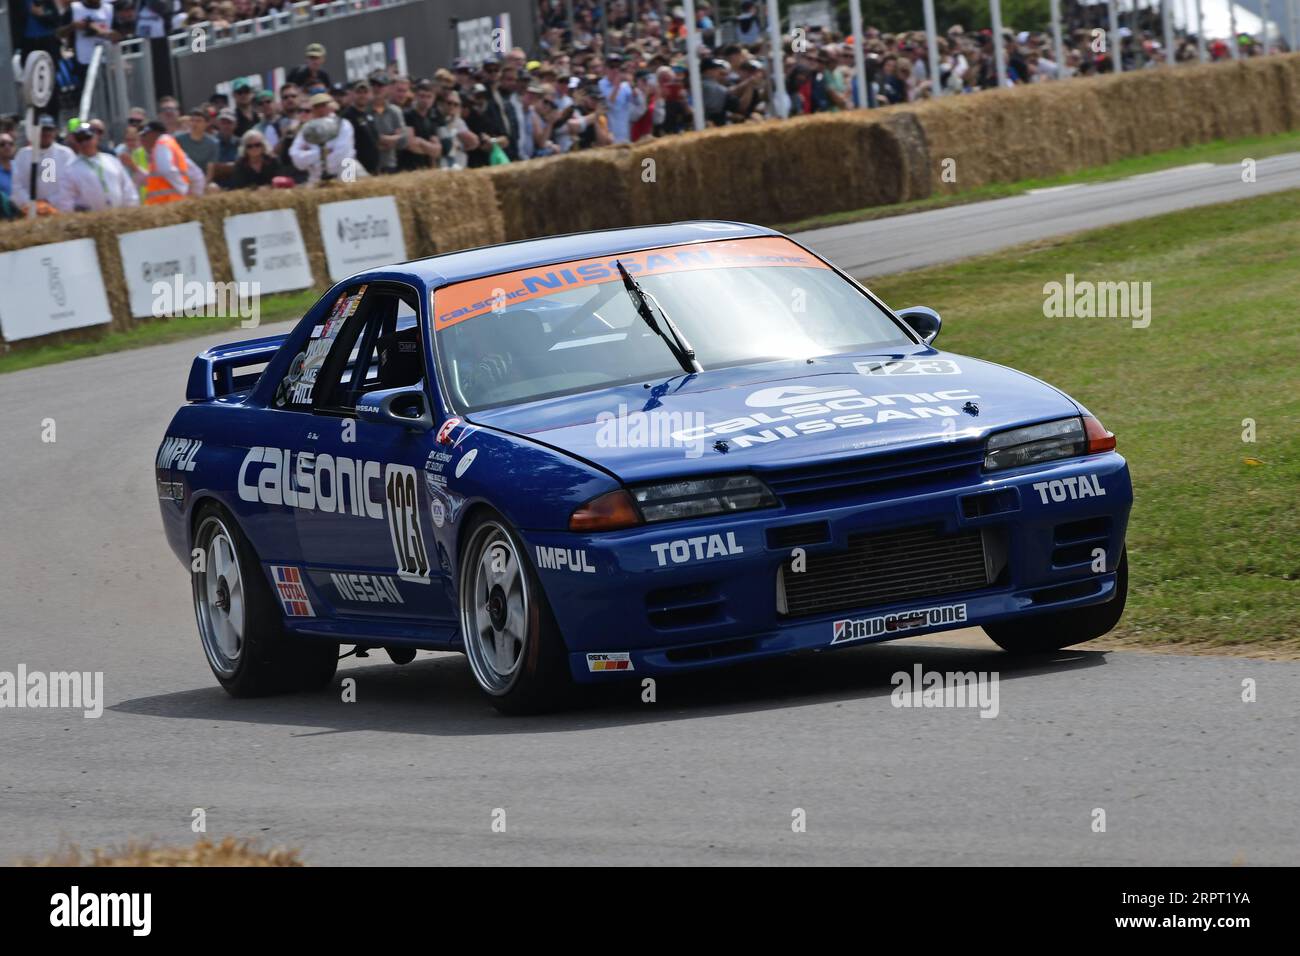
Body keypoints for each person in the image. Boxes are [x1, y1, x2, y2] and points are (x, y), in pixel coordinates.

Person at [61, 125, 139, 211]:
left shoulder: (112, 160)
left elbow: (127, 188)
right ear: (76, 142)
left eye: (87, 138)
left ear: (96, 138)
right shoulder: (70, 169)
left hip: (119, 216)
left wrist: (131, 208)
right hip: (91, 220)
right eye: (80, 140)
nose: (84, 142)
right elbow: (66, 201)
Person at [12, 114, 76, 213]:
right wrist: (33, 205)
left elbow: (71, 185)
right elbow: (17, 185)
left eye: (49, 130)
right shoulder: (23, 155)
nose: (45, 133)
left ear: (55, 132)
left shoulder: (65, 154)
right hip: (29, 212)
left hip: (59, 210)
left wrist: (49, 203)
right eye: (42, 130)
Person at [289, 91, 356, 183]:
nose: (320, 108)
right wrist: (325, 152)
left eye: (323, 105)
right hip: (317, 179)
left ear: (331, 106)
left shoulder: (344, 125)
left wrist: (312, 158)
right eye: (316, 106)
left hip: (346, 176)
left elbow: (342, 155)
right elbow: (295, 157)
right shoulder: (307, 128)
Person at [141, 119, 205, 204]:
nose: (143, 139)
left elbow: (166, 169)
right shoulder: (170, 144)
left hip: (166, 204)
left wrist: (183, 189)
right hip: (172, 204)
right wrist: (195, 197)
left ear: (153, 134)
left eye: (145, 135)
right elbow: (197, 174)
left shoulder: (161, 144)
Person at [399, 78, 445, 171]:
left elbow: (438, 150)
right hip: (409, 167)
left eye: (429, 97)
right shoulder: (407, 114)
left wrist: (420, 142)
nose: (425, 100)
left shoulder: (432, 117)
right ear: (415, 96)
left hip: (427, 168)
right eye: (422, 96)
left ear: (434, 98)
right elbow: (410, 145)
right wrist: (430, 148)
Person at [368, 74, 408, 175]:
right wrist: (391, 138)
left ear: (388, 88)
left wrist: (381, 139)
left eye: (380, 85)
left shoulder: (395, 111)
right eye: (373, 85)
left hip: (389, 164)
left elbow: (403, 141)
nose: (377, 89)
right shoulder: (364, 111)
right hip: (368, 164)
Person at [340, 80, 380, 175]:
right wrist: (348, 174)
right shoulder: (347, 116)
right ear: (352, 94)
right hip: (356, 168)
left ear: (370, 94)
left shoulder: (369, 114)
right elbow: (344, 147)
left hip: (372, 167)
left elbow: (374, 139)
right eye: (359, 92)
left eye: (365, 92)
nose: (362, 96)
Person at [176, 108, 218, 182]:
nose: (194, 124)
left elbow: (210, 170)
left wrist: (202, 185)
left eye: (198, 121)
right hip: (182, 180)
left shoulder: (213, 143)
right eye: (192, 120)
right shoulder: (178, 140)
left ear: (207, 123)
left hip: (202, 181)